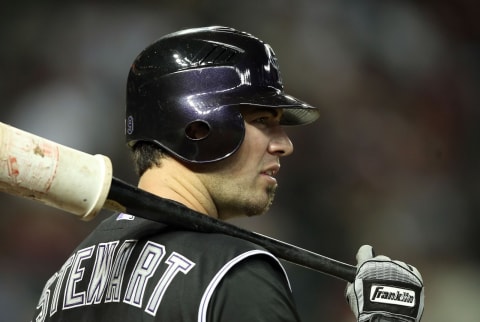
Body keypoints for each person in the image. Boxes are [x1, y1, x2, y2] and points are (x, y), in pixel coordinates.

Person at [32, 26, 424, 322]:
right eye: (263, 120)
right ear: (199, 128)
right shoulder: (233, 275)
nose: (284, 144)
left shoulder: (62, 283)